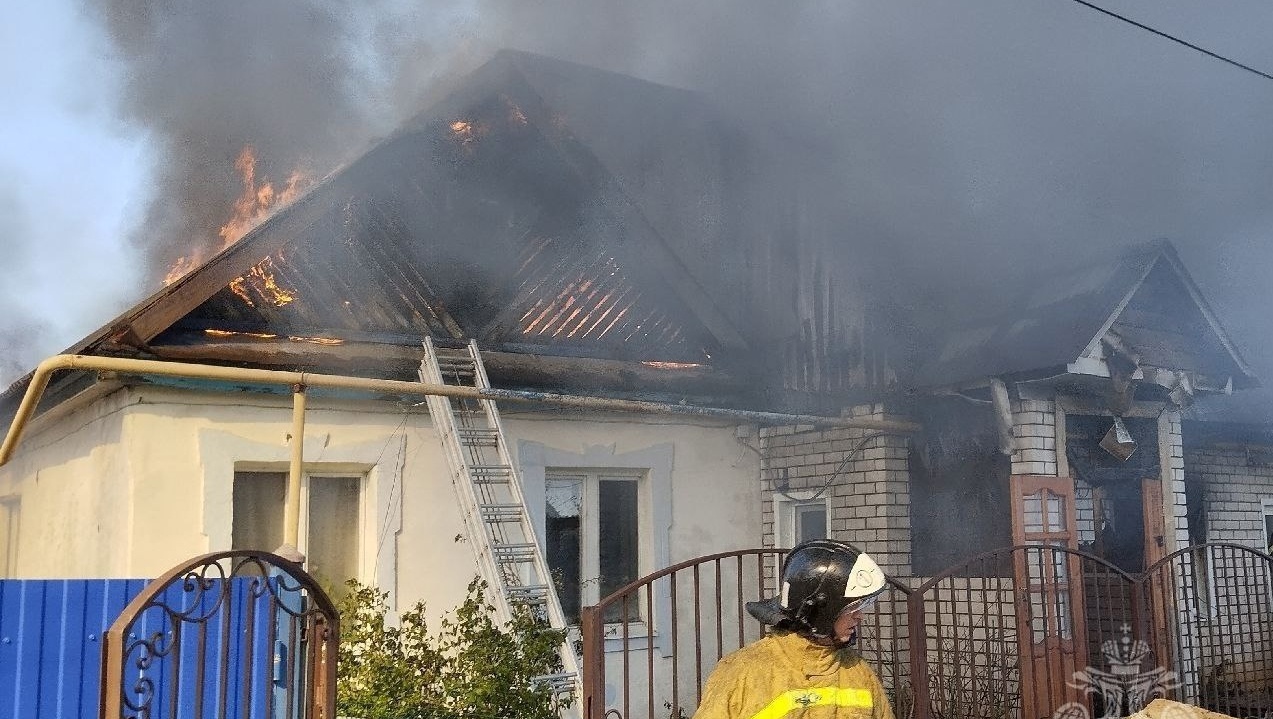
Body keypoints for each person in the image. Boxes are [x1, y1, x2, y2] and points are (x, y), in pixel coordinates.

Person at [692, 539, 895, 719]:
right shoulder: (742, 672)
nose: (859, 616)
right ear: (821, 610)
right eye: (852, 608)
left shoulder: (858, 672)